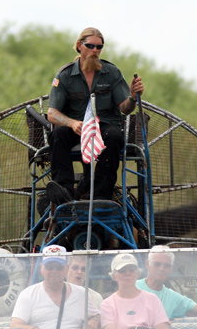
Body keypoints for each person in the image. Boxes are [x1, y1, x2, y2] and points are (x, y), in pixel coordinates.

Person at [45, 27, 145, 204]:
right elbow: (52, 113)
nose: (95, 51)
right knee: (58, 135)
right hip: (77, 127)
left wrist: (132, 97)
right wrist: (72, 123)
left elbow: (125, 108)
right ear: (79, 46)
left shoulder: (112, 72)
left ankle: (101, 194)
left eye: (99, 47)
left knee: (114, 136)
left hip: (105, 126)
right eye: (90, 46)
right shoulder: (65, 75)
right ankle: (64, 192)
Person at [8, 245, 99, 329]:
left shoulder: (81, 294)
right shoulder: (28, 294)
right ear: (41, 269)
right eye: (49, 267)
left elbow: (98, 315)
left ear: (66, 269)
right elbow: (14, 326)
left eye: (59, 267)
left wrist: (95, 320)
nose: (54, 271)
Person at [100, 253, 171, 329]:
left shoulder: (152, 299)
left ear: (137, 273)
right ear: (114, 276)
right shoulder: (107, 304)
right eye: (122, 270)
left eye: (131, 269)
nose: (127, 273)